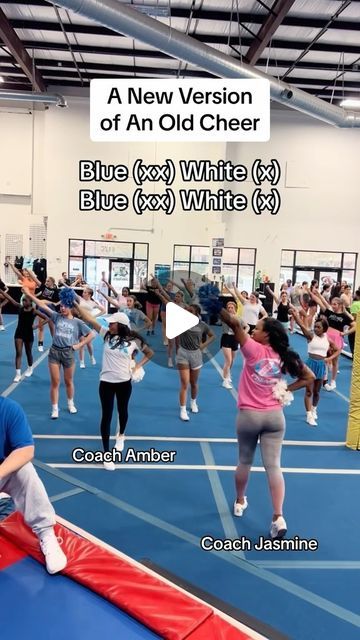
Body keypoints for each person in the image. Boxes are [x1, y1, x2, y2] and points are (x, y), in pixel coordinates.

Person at [221, 310, 313, 539]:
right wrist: (285, 389)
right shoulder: (285, 356)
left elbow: (233, 323)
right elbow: (309, 376)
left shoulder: (252, 349)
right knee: (274, 466)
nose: (253, 330)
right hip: (274, 417)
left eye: (258, 328)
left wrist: (214, 303)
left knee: (244, 461)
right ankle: (278, 516)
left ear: (268, 335)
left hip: (249, 416)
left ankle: (240, 501)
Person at [74, 307, 154, 470]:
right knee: (106, 416)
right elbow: (91, 320)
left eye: (112, 323)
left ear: (121, 325)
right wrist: (76, 304)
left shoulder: (134, 341)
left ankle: (121, 436)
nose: (109, 325)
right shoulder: (106, 335)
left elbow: (150, 353)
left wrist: (136, 366)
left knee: (123, 411)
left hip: (124, 382)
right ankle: (106, 455)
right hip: (106, 383)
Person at [0, 396, 67, 573]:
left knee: (25, 471)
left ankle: (47, 534)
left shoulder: (9, 409)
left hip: (2, 471)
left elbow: (26, 450)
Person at [23, 287, 94, 419]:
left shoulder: (77, 322)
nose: (62, 308)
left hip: (68, 353)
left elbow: (91, 334)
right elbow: (41, 304)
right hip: (54, 352)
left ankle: (70, 403)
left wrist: (79, 345)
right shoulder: (56, 317)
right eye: (61, 306)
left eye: (65, 306)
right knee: (55, 382)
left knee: (68, 381)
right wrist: (29, 294)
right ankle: (55, 408)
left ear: (71, 306)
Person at [291, 310, 341, 425]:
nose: (315, 328)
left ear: (324, 329)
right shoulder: (311, 335)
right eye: (315, 326)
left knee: (317, 392)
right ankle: (309, 415)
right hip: (310, 365)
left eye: (318, 327)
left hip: (321, 365)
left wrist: (329, 359)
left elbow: (338, 349)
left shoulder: (327, 339)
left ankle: (314, 409)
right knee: (309, 391)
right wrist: (295, 314)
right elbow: (301, 325)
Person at [175, 304, 215, 421]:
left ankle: (193, 402)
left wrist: (203, 345)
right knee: (184, 383)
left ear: (196, 313)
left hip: (196, 355)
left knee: (193, 383)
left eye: (191, 311)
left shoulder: (202, 325)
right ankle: (183, 410)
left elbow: (212, 336)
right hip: (183, 354)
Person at [309, 290, 355, 390]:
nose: (332, 306)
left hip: (337, 338)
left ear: (339, 305)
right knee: (323, 358)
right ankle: (323, 378)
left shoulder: (344, 316)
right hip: (327, 337)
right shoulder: (329, 313)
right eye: (332, 304)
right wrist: (312, 293)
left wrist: (345, 333)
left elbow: (355, 326)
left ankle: (333, 381)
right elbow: (319, 302)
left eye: (334, 304)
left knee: (335, 361)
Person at [0, 289, 48, 382]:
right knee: (18, 353)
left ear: (30, 302)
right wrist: (1, 291)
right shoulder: (20, 308)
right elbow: (10, 298)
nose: (23, 301)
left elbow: (47, 318)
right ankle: (18, 374)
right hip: (19, 333)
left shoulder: (34, 311)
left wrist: (37, 326)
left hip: (29, 333)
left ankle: (30, 368)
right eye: (23, 300)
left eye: (25, 300)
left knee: (28, 352)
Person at [221, 299, 248, 389]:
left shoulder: (239, 318)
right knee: (228, 360)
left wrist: (243, 333)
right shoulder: (225, 317)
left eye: (232, 307)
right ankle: (225, 380)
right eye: (228, 307)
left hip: (235, 339)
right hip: (226, 338)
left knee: (232, 360)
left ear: (235, 308)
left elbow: (247, 326)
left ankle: (227, 373)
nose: (230, 309)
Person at [35, 276, 60, 351]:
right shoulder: (43, 288)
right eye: (46, 281)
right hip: (41, 309)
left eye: (48, 281)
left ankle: (55, 344)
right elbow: (35, 279)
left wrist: (54, 303)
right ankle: (40, 344)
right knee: (41, 326)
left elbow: (60, 300)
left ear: (52, 282)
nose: (46, 282)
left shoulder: (56, 291)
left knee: (52, 327)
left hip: (50, 309)